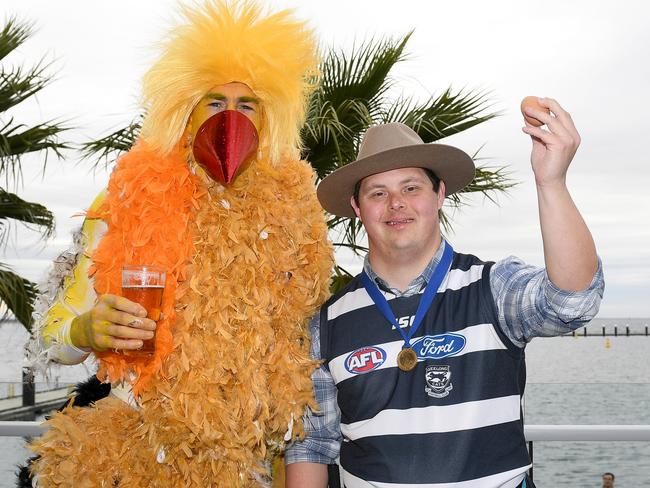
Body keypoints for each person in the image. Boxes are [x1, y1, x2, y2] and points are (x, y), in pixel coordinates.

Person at [26, 2, 333, 486]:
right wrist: (86, 330)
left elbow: (306, 351)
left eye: (246, 104)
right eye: (214, 103)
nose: (230, 119)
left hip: (248, 463)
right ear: (185, 112)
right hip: (135, 453)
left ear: (270, 117)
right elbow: (48, 340)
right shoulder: (123, 201)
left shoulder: (297, 219)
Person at [285, 99, 604, 487]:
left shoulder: (493, 288)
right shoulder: (327, 321)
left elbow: (572, 302)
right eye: (377, 193)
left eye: (411, 187)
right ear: (357, 207)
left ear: (439, 194)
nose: (396, 203)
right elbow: (312, 444)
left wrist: (550, 182)